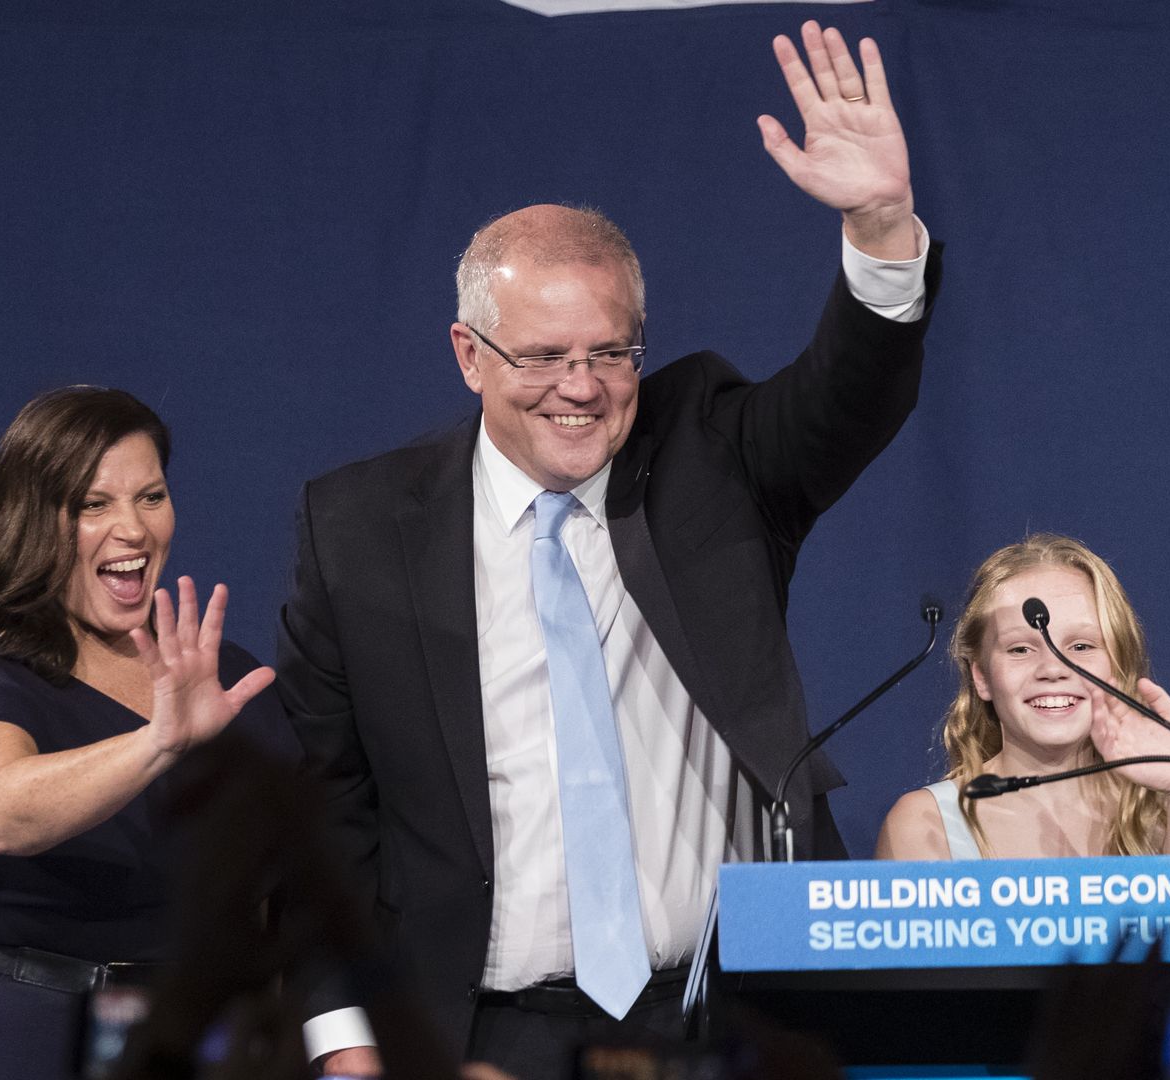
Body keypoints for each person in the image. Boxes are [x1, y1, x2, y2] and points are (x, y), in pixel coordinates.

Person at [278, 20, 937, 1078]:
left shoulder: (708, 455)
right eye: (542, 356)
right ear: (468, 354)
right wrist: (343, 1042)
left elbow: (843, 402)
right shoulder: (358, 530)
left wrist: (881, 223)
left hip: (725, 1021)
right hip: (483, 1038)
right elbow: (324, 814)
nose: (579, 388)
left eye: (609, 353)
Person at [0, 386, 292, 1080]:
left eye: (150, 497)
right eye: (94, 505)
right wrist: (158, 740)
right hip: (43, 1040)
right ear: (33, 522)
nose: (133, 529)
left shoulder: (222, 677)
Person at [876, 534, 1170, 861]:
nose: (1053, 669)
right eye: (1021, 649)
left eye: (1081, 646)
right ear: (981, 676)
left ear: (1118, 664)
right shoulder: (925, 824)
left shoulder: (1167, 810)